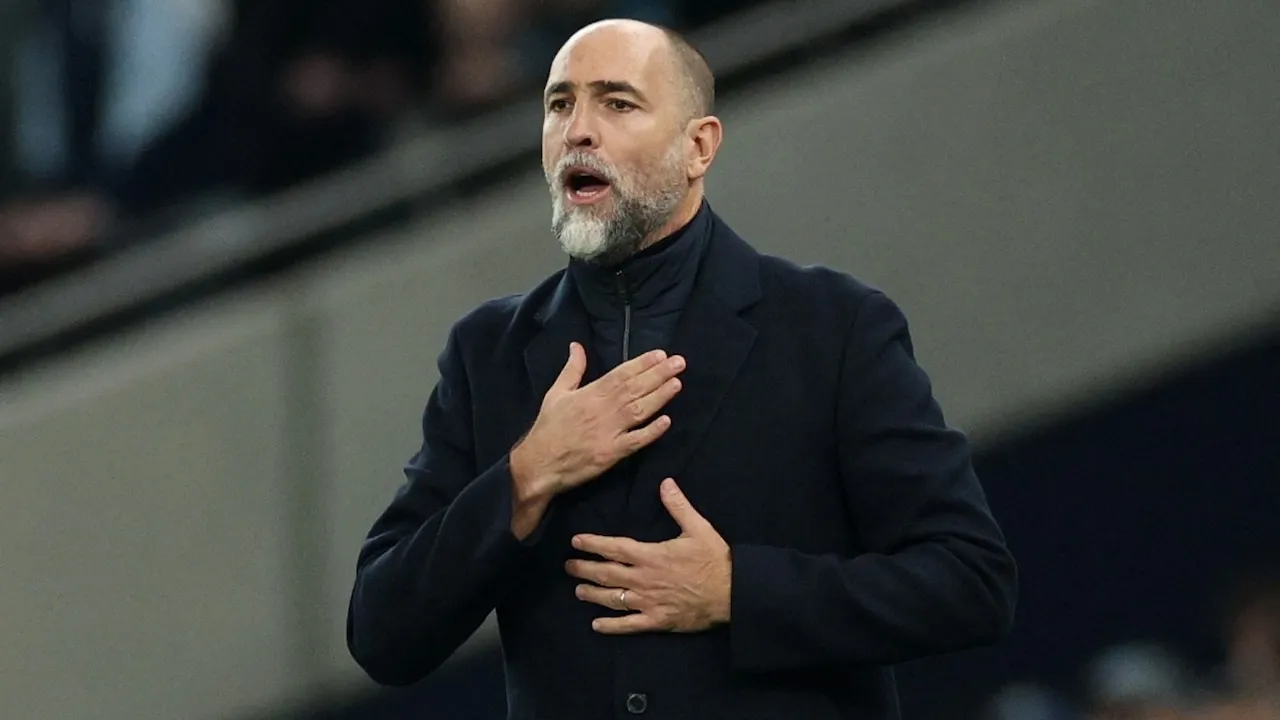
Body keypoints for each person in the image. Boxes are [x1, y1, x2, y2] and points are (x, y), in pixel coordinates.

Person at [347, 19, 1017, 719]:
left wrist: (737, 590)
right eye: (559, 104)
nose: (578, 130)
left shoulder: (834, 327)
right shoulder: (488, 352)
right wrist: (527, 475)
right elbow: (382, 633)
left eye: (618, 103)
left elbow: (970, 582)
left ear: (698, 147)